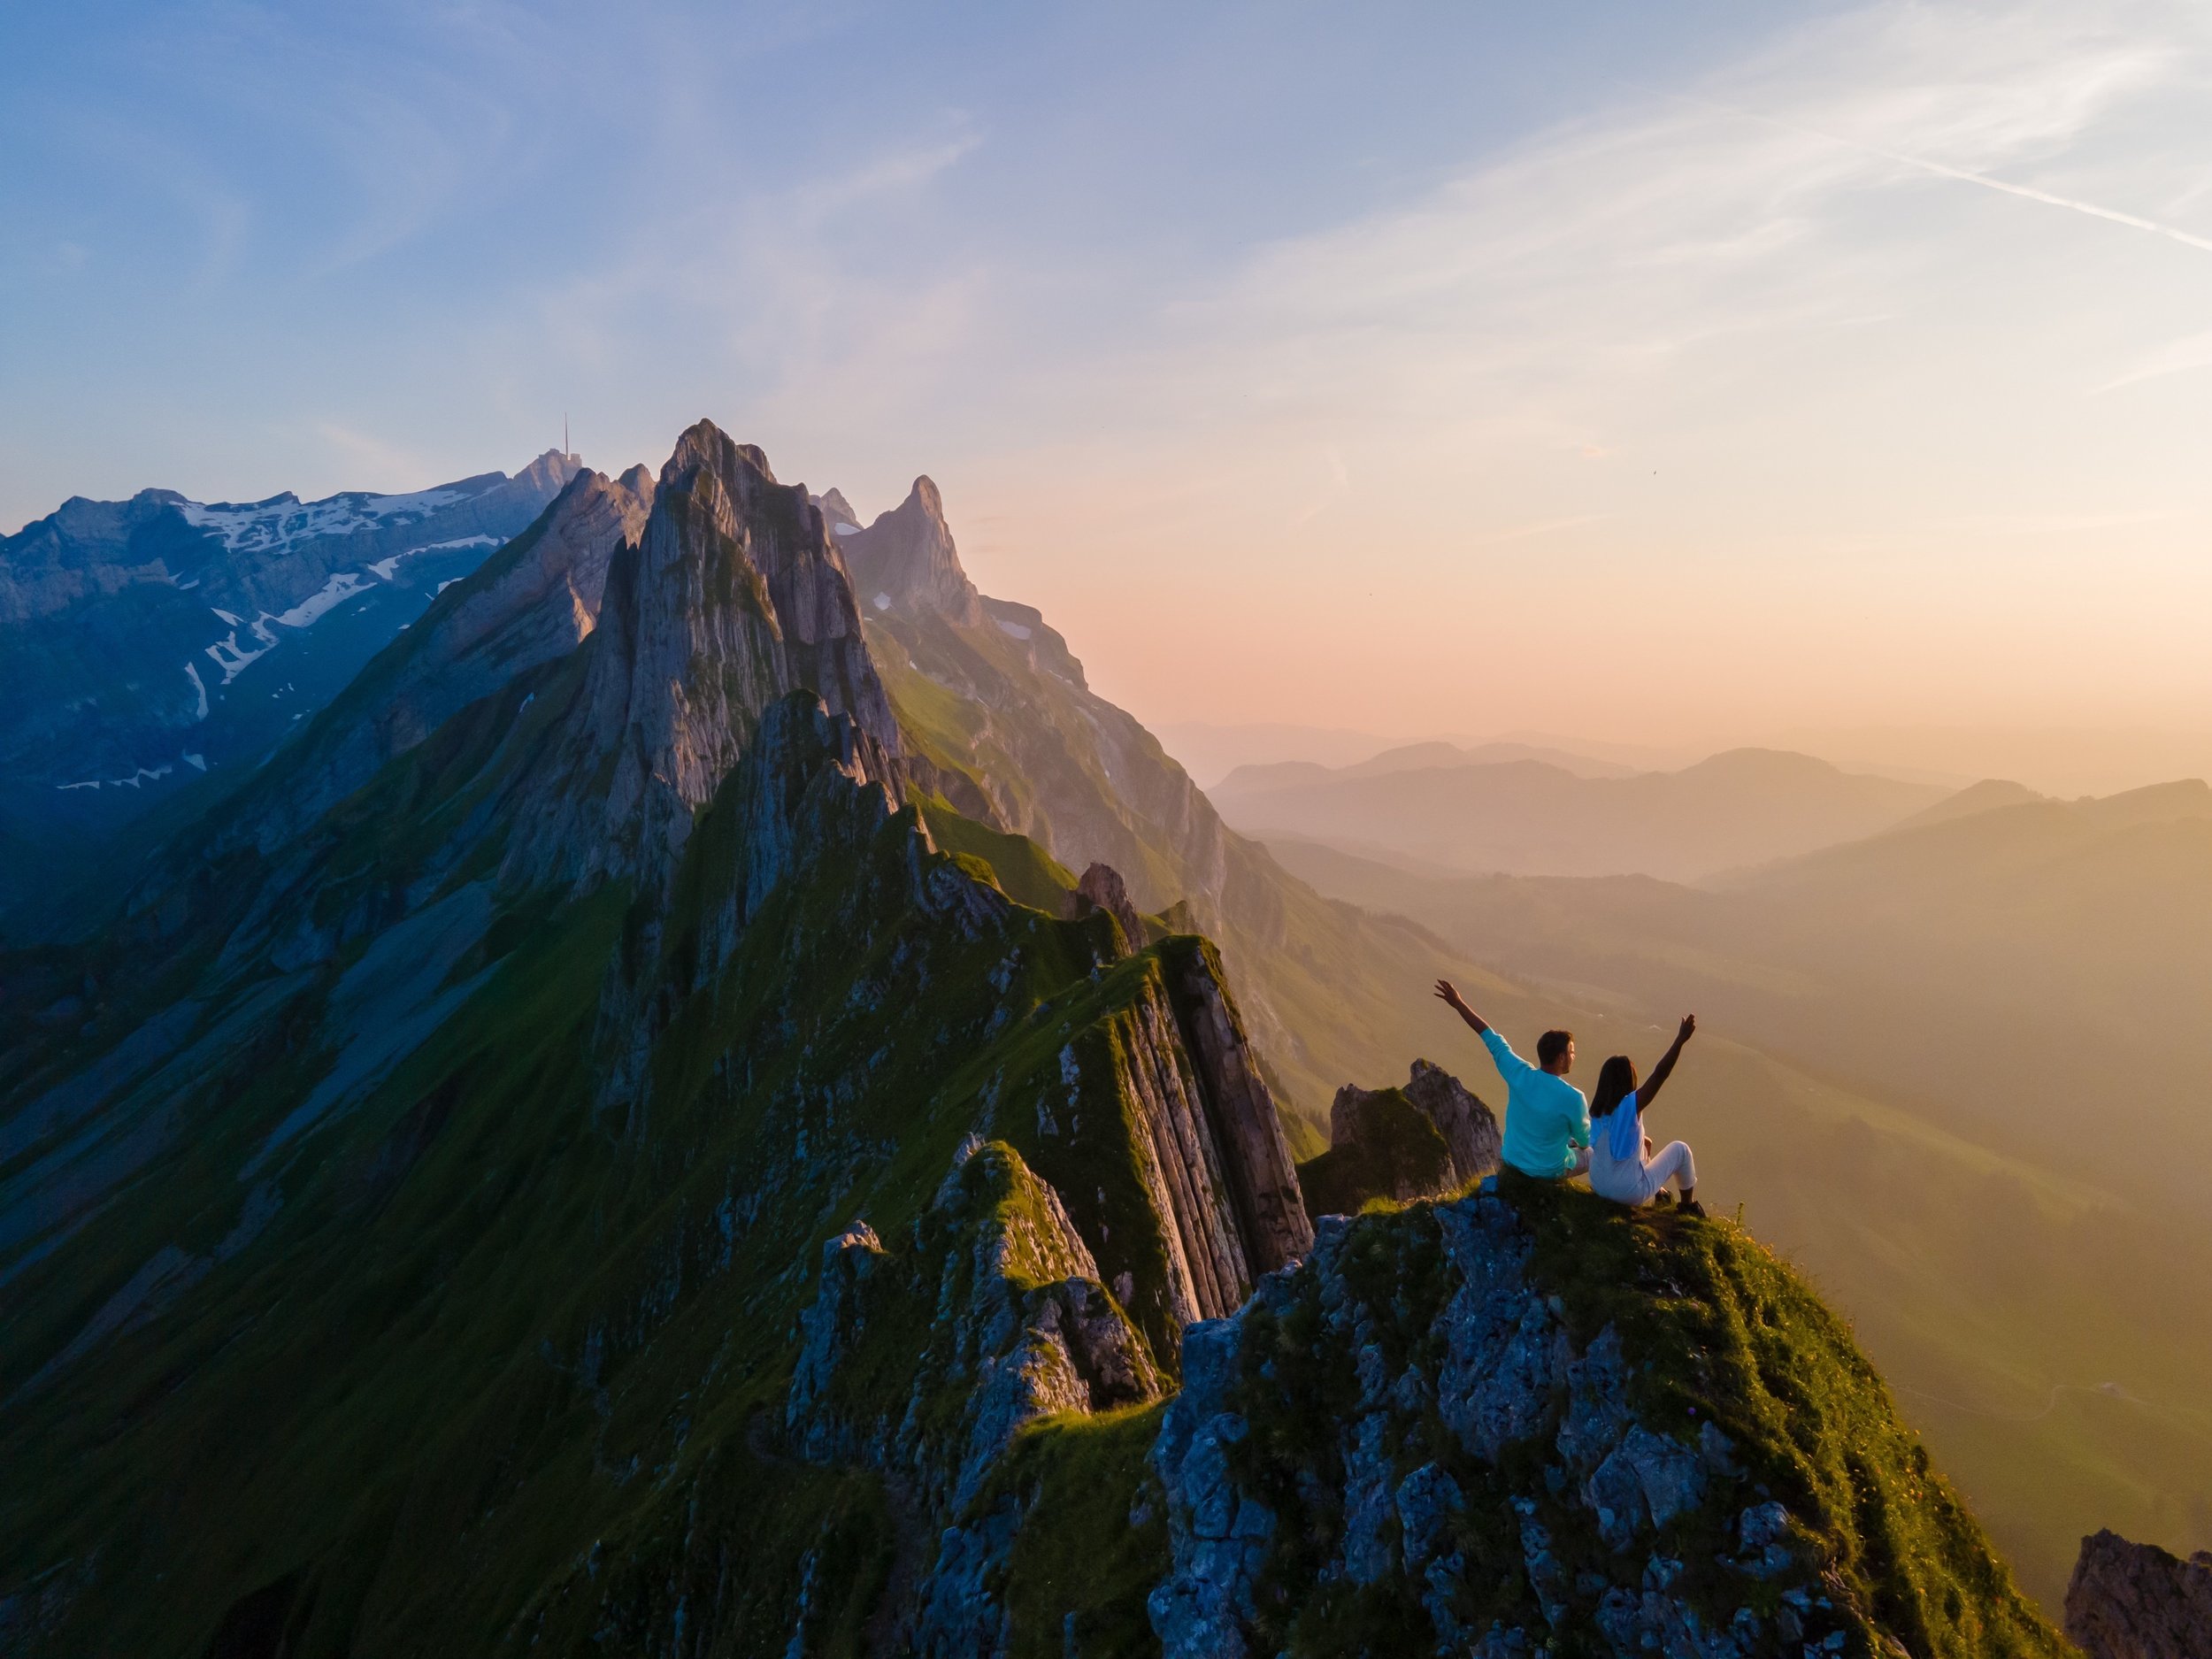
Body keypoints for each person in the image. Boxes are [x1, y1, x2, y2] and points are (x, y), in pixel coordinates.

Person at [1432, 979, 1589, 1179]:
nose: (1573, 1057)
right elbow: (1584, 1141)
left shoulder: (1519, 1074)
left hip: (1513, 1160)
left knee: (1563, 1136)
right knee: (1592, 1153)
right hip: (1549, 1170)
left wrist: (1459, 1004)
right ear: (1561, 1058)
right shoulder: (1574, 1098)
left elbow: (1490, 1038)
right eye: (1571, 1053)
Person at [1587, 1016, 1705, 1217]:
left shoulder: (1597, 1110)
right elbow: (1660, 1074)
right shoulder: (1628, 1106)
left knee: (1646, 1143)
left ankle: (1661, 1194)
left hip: (1598, 1183)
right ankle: (1688, 1207)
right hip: (1626, 1193)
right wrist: (1680, 1040)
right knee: (1681, 1150)